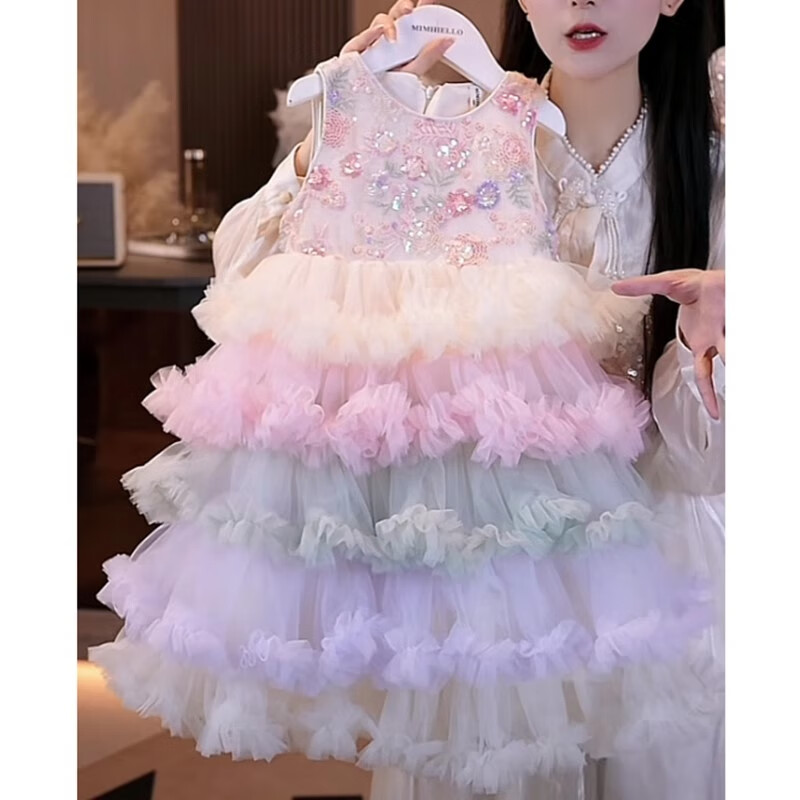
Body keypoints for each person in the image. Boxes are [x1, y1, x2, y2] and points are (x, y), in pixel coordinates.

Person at [211, 1, 725, 798]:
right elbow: (244, 283)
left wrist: (700, 346)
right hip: (492, 567)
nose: (580, 1)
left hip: (671, 561)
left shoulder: (722, 174)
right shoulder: (452, 132)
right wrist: (346, 134)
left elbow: (704, 464)